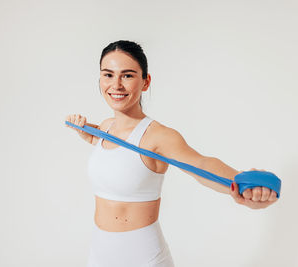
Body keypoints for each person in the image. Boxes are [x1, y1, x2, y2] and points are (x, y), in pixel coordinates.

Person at [65, 40, 279, 267]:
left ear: (146, 82)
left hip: (143, 258)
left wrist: (241, 183)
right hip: (98, 255)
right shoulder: (106, 128)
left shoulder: (158, 136)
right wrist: (89, 135)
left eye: (127, 76)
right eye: (108, 75)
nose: (116, 84)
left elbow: (200, 164)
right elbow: (120, 161)